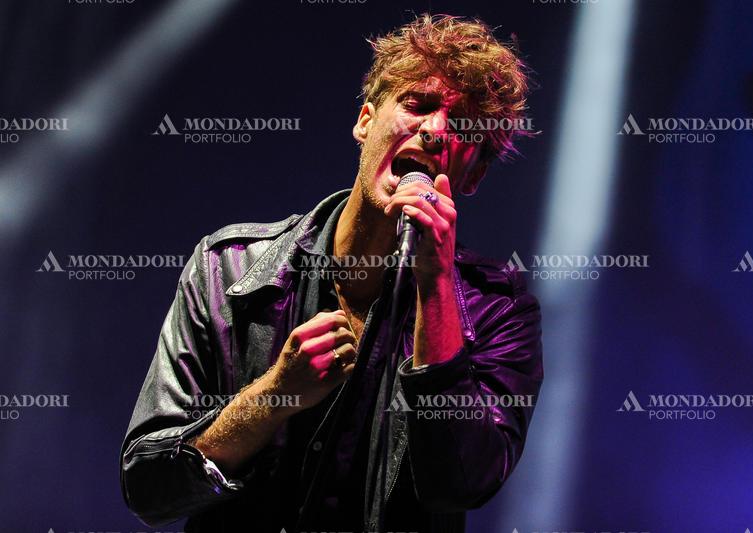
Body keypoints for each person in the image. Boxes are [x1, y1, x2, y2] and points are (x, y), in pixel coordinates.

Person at [120, 13, 543, 533]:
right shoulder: (227, 268)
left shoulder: (499, 309)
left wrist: (434, 285)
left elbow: (461, 484)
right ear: (366, 120)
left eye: (463, 128)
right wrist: (273, 395)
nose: (435, 131)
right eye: (418, 105)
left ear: (473, 174)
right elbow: (148, 487)